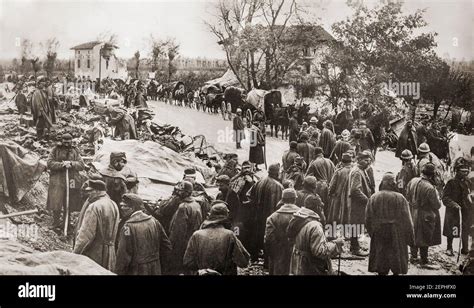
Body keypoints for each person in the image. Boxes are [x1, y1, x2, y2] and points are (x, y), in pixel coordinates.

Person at [365, 172, 415, 275]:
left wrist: (373, 233)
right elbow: (407, 221)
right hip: (397, 234)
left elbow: (368, 219)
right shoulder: (400, 198)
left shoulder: (374, 197)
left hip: (379, 233)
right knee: (397, 263)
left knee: (381, 262)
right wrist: (410, 239)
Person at [183, 202, 250, 275]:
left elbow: (187, 262)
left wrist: (204, 270)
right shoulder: (229, 235)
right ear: (226, 217)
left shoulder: (196, 235)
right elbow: (243, 262)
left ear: (210, 216)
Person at [115, 194, 172, 275]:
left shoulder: (128, 227)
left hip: (136, 270)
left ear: (132, 208)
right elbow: (166, 246)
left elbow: (123, 255)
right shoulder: (154, 221)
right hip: (155, 267)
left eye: (125, 206)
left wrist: (119, 272)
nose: (122, 208)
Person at [73, 178, 120, 272]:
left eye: (89, 191)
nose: (87, 194)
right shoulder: (113, 204)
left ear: (97, 191)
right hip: (110, 253)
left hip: (95, 254)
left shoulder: (94, 206)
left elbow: (86, 235)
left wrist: (75, 254)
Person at [287, 207, 344, 275]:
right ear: (317, 207)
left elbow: (306, 239)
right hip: (311, 267)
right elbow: (320, 251)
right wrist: (336, 244)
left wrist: (325, 237)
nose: (322, 210)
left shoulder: (300, 219)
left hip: (299, 264)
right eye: (321, 207)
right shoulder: (315, 226)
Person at [406, 163, 442, 269]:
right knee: (425, 236)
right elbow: (437, 205)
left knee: (414, 233)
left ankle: (413, 256)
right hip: (426, 215)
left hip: (413, 211)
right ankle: (424, 260)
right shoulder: (430, 188)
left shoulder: (413, 181)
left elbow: (407, 194)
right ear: (432, 175)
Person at [47, 133, 85, 232]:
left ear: (71, 141)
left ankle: (66, 223)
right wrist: (62, 165)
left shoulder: (75, 151)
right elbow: (50, 163)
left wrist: (72, 163)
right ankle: (55, 223)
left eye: (69, 142)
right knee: (56, 200)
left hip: (71, 179)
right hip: (58, 179)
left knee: (69, 202)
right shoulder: (55, 150)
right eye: (65, 142)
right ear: (62, 141)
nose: (67, 144)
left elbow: (81, 165)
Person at [246, 164, 283, 262]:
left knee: (257, 235)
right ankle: (267, 261)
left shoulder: (259, 182)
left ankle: (254, 257)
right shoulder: (278, 186)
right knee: (269, 238)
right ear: (276, 173)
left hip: (257, 216)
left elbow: (249, 195)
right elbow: (281, 204)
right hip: (271, 217)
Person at [168, 181, 203, 274]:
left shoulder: (183, 207)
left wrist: (172, 245)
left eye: (181, 191)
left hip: (183, 244)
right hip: (193, 240)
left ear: (187, 192)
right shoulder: (196, 204)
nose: (178, 193)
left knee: (179, 268)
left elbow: (178, 231)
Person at [264, 188, 300, 275]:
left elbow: (268, 239)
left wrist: (274, 255)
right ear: (295, 200)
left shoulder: (272, 217)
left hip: (279, 256)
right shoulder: (302, 215)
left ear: (282, 200)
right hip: (298, 256)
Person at [442, 160, 471, 256]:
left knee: (465, 228)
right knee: (452, 229)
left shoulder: (468, 182)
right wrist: (454, 205)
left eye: (466, 171)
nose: (465, 173)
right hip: (453, 211)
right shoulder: (451, 183)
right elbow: (445, 198)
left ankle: (465, 248)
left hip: (465, 210)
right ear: (457, 171)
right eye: (462, 171)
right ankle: (449, 248)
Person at [348, 151, 373, 256]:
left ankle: (355, 246)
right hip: (357, 204)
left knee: (357, 225)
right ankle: (355, 248)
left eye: (369, 160)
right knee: (356, 224)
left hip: (359, 204)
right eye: (366, 160)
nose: (368, 162)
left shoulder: (361, 170)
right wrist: (368, 200)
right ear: (359, 160)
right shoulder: (357, 172)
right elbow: (355, 190)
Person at [305, 147, 335, 215]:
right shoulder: (330, 161)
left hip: (319, 187)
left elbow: (307, 177)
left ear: (314, 154)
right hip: (330, 187)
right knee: (328, 207)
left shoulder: (314, 163)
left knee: (319, 207)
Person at [327, 152, 353, 225]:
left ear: (342, 161)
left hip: (338, 197)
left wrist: (330, 193)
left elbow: (332, 186)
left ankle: (332, 234)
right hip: (350, 198)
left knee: (334, 216)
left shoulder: (339, 171)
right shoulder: (354, 171)